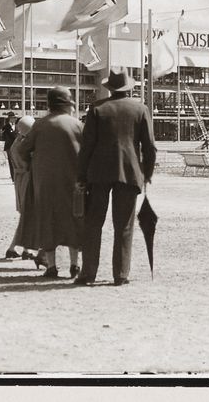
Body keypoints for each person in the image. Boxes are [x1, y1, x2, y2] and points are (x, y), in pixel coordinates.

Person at [75, 67, 157, 287]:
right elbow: (149, 148)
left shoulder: (97, 109)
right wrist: (147, 174)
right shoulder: (141, 109)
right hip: (129, 174)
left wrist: (81, 175)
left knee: (93, 224)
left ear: (109, 88)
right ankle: (120, 274)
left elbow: (87, 146)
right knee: (124, 225)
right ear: (128, 88)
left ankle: (88, 272)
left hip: (98, 173)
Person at [17, 88, 83, 279]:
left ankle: (52, 267)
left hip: (44, 184)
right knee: (73, 221)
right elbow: (87, 153)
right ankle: (74, 265)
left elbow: (22, 150)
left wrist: (34, 162)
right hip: (72, 183)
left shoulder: (39, 125)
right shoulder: (77, 125)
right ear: (67, 105)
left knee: (48, 223)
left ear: (50, 105)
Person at [6, 115, 36, 260]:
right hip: (27, 179)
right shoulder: (24, 145)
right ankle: (13, 248)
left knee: (27, 216)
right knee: (27, 215)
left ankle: (25, 249)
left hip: (20, 179)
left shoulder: (16, 142)